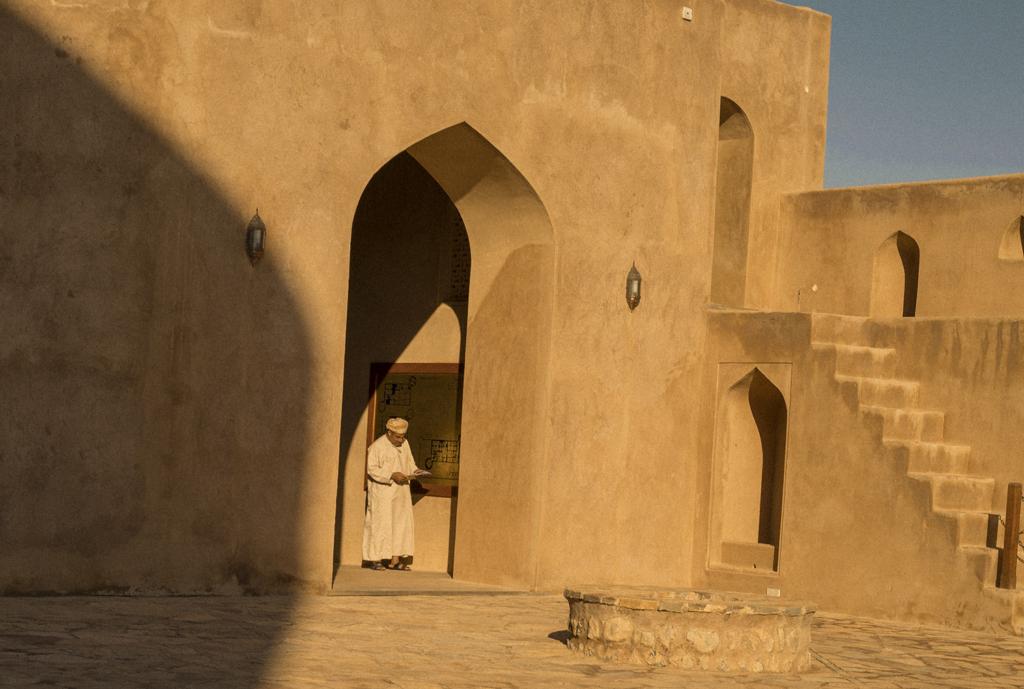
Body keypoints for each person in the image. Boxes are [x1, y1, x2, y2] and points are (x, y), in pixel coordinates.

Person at [361, 417, 417, 571]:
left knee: (399, 525)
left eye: (402, 437)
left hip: (401, 493)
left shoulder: (405, 444)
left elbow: (410, 462)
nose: (400, 440)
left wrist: (416, 471)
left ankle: (395, 560)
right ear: (389, 432)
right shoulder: (377, 446)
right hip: (383, 493)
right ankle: (376, 559)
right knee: (379, 525)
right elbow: (372, 469)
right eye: (397, 437)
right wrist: (391, 475)